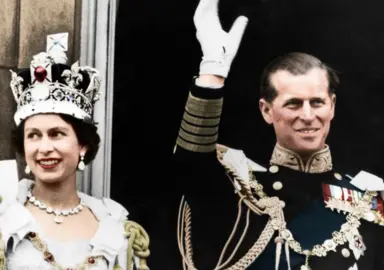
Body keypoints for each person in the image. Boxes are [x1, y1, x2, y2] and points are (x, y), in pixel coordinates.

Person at [140, 0, 384, 269]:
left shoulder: (368, 198)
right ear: (267, 110)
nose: (307, 115)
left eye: (317, 102)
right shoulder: (245, 191)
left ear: (332, 106)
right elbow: (191, 166)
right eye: (293, 103)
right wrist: (212, 73)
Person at [0, 33, 150, 270]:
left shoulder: (113, 226)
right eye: (34, 135)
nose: (44, 148)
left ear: (83, 145)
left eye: (57, 134)